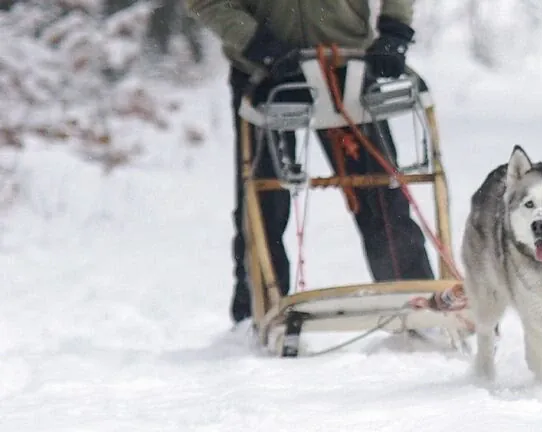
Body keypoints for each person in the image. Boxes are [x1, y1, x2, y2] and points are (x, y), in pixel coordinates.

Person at [186, 0, 436, 326]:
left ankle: (416, 304)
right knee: (263, 204)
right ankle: (257, 316)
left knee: (381, 193)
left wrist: (394, 28)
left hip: (346, 63)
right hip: (264, 71)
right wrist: (258, 43)